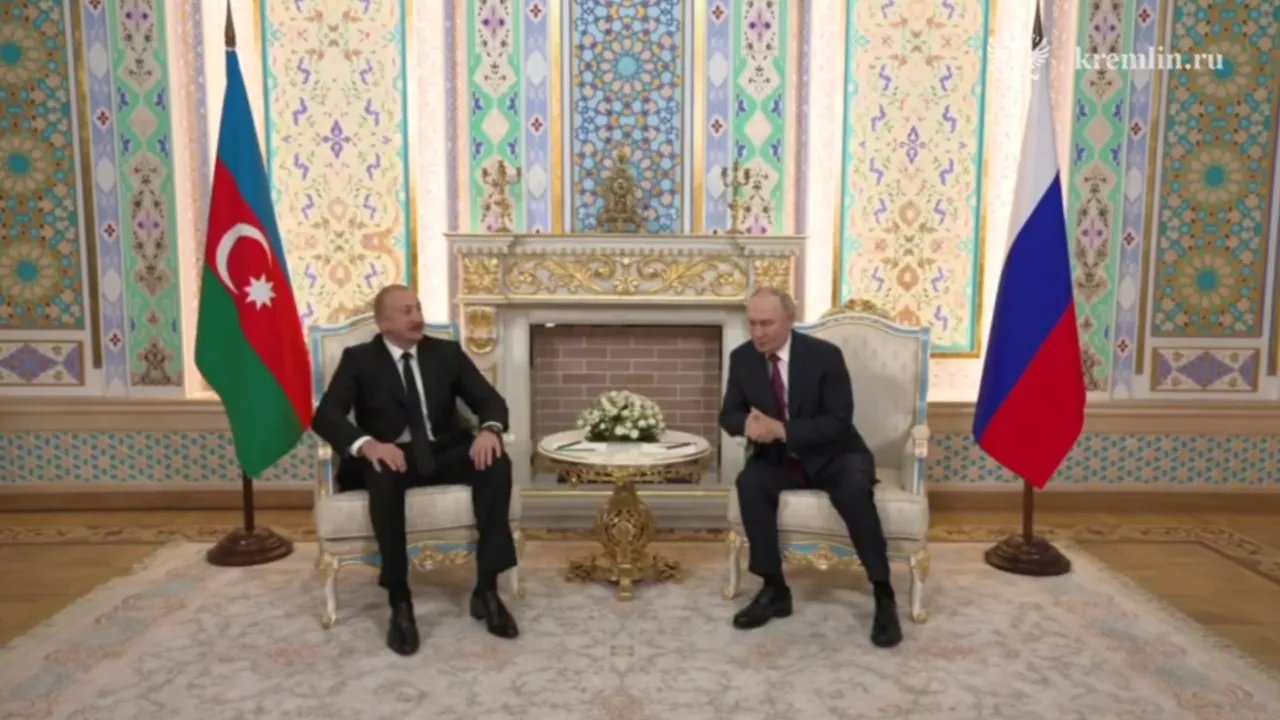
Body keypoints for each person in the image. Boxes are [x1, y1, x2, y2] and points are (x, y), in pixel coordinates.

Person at [312, 284, 519, 655]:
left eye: (419, 308)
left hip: (442, 449)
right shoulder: (359, 359)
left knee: (495, 461)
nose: (417, 317)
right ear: (383, 322)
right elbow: (326, 415)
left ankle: (487, 590)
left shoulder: (446, 353)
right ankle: (400, 601)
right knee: (382, 474)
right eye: (406, 311)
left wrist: (489, 430)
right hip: (391, 453)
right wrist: (368, 445)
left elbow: (489, 400)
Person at [719, 287, 902, 648]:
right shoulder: (742, 359)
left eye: (767, 323)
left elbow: (838, 421)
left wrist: (782, 430)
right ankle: (774, 589)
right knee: (750, 483)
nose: (757, 332)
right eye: (752, 323)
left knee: (853, 492)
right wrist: (747, 425)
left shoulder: (824, 356)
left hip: (836, 455)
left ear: (789, 320)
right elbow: (730, 414)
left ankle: (883, 593)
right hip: (779, 459)